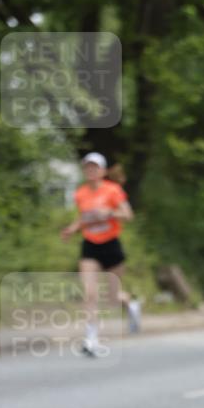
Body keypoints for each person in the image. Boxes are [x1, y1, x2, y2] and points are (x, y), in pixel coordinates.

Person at [60, 152, 140, 355]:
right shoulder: (80, 193)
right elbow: (84, 218)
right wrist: (72, 228)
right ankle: (91, 339)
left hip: (111, 245)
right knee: (90, 294)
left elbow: (128, 215)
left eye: (95, 167)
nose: (91, 170)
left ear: (103, 171)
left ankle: (130, 304)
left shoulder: (113, 191)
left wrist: (110, 213)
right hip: (90, 246)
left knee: (112, 299)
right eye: (87, 167)